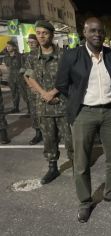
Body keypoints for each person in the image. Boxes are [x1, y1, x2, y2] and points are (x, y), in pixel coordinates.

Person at [55, 17, 111, 223]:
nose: (97, 34)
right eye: (93, 31)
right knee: (81, 161)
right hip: (84, 113)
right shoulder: (72, 56)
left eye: (100, 31)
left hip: (110, 113)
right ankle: (85, 201)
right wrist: (78, 98)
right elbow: (61, 84)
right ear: (84, 33)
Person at [24, 21, 73, 185]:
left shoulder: (64, 55)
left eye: (44, 33)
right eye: (38, 33)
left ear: (51, 34)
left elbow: (70, 77)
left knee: (70, 139)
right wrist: (44, 93)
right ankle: (53, 168)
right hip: (44, 106)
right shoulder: (31, 56)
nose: (41, 36)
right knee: (49, 139)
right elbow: (28, 77)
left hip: (63, 104)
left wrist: (53, 92)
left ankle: (76, 166)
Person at [21, 34, 43, 145]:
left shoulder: (44, 52)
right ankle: (38, 133)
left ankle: (51, 133)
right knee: (34, 112)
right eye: (29, 42)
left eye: (32, 42)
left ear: (37, 42)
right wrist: (31, 86)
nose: (30, 44)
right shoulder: (27, 56)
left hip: (45, 87)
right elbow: (25, 74)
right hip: (33, 90)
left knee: (47, 110)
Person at [3, 41, 30, 113]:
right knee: (14, 93)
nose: (8, 47)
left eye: (9, 46)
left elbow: (24, 66)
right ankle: (16, 108)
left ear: (14, 47)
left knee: (24, 93)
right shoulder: (6, 57)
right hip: (11, 78)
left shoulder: (20, 56)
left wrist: (23, 75)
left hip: (20, 78)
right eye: (7, 46)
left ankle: (29, 109)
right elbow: (8, 67)